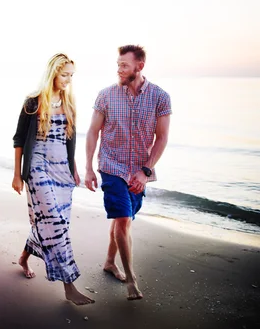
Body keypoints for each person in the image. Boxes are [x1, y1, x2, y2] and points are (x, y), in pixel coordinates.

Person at [84, 44, 171, 301]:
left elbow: (162, 137)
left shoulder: (160, 96)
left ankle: (110, 262)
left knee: (125, 218)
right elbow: (92, 132)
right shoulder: (106, 95)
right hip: (111, 166)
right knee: (122, 219)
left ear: (139, 66)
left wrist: (145, 172)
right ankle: (132, 280)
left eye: (124, 65)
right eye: (118, 64)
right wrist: (88, 168)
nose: (119, 69)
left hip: (139, 172)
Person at [11, 53, 94, 306]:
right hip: (37, 168)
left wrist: (75, 170)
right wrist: (17, 174)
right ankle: (69, 286)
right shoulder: (33, 103)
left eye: (71, 75)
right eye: (64, 74)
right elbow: (18, 140)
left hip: (62, 171)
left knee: (52, 223)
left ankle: (24, 257)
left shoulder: (69, 103)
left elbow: (71, 141)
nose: (68, 80)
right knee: (55, 224)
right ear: (53, 73)